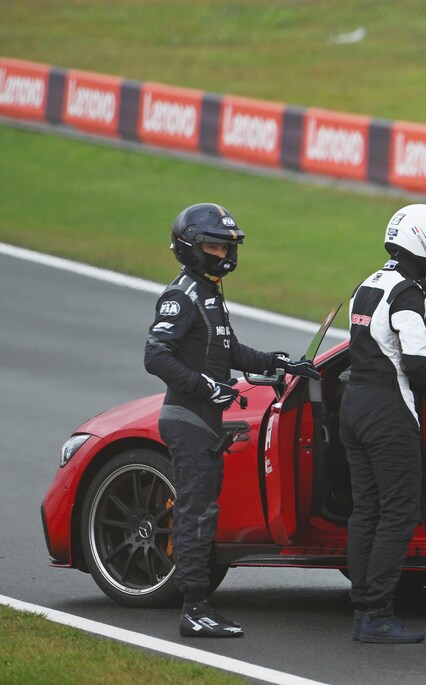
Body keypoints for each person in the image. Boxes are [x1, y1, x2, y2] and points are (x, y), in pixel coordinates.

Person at [144, 202, 320, 638]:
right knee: (195, 514)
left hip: (202, 421)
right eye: (214, 245)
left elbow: (232, 352)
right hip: (188, 418)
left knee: (203, 512)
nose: (224, 254)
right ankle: (192, 609)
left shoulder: (209, 292)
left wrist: (282, 362)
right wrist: (205, 387)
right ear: (190, 247)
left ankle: (199, 603)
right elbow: (155, 355)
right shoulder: (182, 295)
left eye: (227, 245)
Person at [342, 203, 426, 644]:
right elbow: (415, 364)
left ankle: (363, 610)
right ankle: (377, 614)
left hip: (353, 404)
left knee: (366, 511)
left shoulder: (370, 282)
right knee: (398, 512)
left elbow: (367, 345)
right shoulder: (408, 292)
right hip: (388, 410)